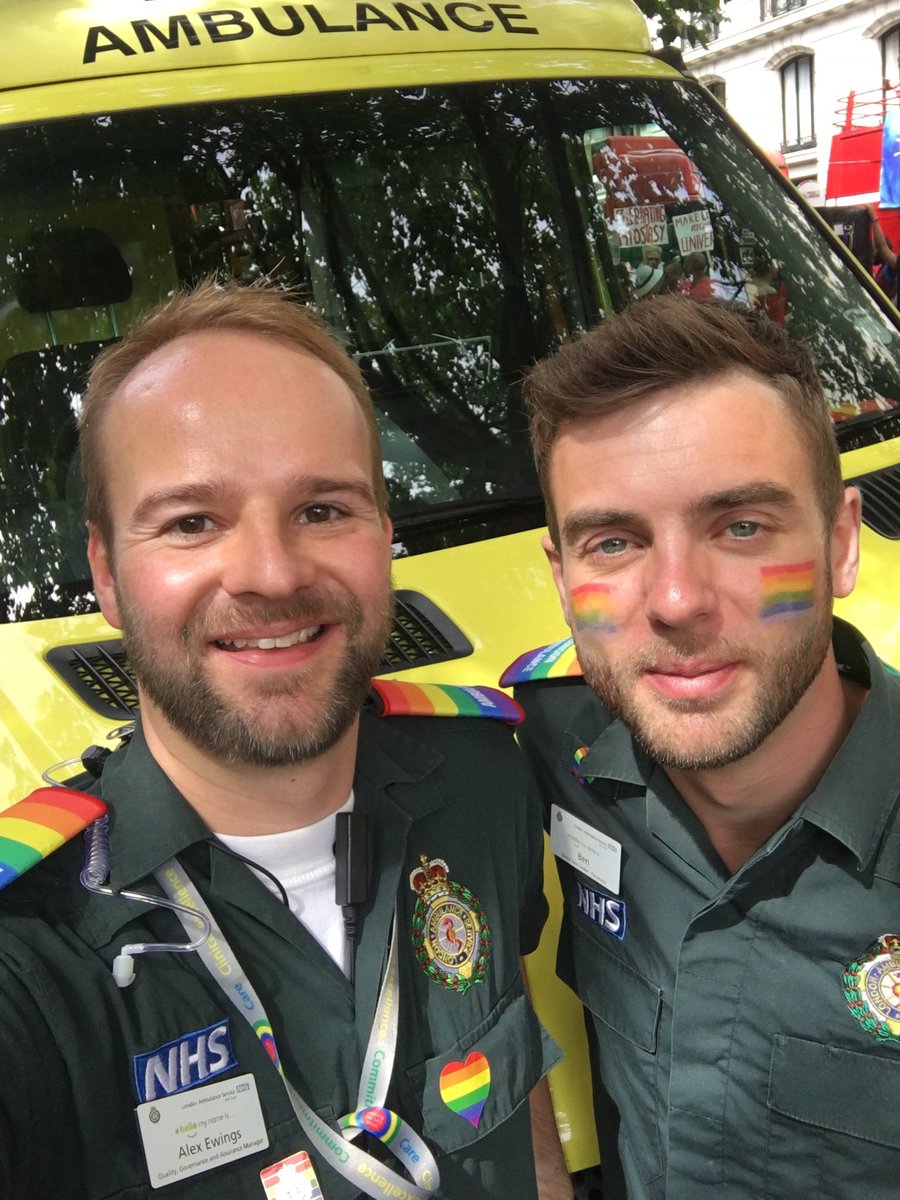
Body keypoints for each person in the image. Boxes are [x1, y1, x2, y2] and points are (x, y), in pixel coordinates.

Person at [0, 279, 571, 1200]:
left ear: (385, 534)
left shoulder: (482, 781)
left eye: (322, 510)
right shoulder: (33, 952)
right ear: (107, 573)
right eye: (192, 522)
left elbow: (514, 1070)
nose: (269, 573)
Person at [504, 295, 900, 1198]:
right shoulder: (545, 745)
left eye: (742, 527)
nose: (676, 599)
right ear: (563, 581)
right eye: (614, 541)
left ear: (841, 543)